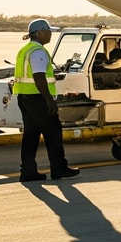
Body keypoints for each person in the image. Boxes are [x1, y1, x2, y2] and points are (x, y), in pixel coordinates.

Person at [14, 18, 80, 182]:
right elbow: (39, 77)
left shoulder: (25, 50)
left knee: (31, 134)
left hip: (25, 97)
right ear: (38, 33)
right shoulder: (38, 52)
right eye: (48, 31)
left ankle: (28, 171)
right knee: (53, 133)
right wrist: (49, 100)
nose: (50, 34)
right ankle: (59, 168)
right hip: (38, 99)